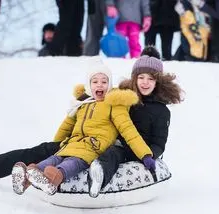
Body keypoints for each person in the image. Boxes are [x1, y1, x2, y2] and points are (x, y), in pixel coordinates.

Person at [11, 62, 153, 195]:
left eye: (104, 82)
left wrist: (145, 154)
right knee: (54, 159)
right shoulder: (81, 104)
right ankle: (28, 177)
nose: (100, 85)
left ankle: (54, 179)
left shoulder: (114, 105)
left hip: (94, 147)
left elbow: (128, 130)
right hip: (72, 144)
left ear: (109, 85)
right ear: (89, 85)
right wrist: (56, 145)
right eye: (95, 81)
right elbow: (65, 127)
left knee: (72, 162)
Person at [86, 47, 183, 197]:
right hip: (114, 141)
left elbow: (159, 143)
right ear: (134, 78)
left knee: (113, 154)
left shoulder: (161, 111)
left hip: (137, 152)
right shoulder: (125, 99)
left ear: (158, 82)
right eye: (141, 77)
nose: (145, 82)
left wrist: (149, 156)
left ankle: (99, 175)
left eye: (151, 79)